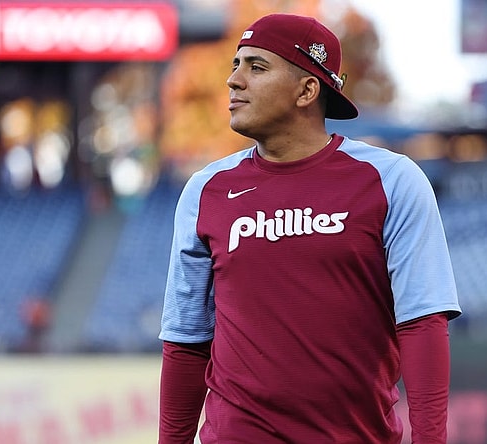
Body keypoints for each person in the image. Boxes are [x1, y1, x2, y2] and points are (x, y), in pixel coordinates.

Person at [159, 12, 462, 444]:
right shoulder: (204, 190)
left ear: (307, 90)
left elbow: (422, 323)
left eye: (256, 67)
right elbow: (186, 340)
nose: (234, 80)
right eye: (235, 64)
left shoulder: (392, 180)